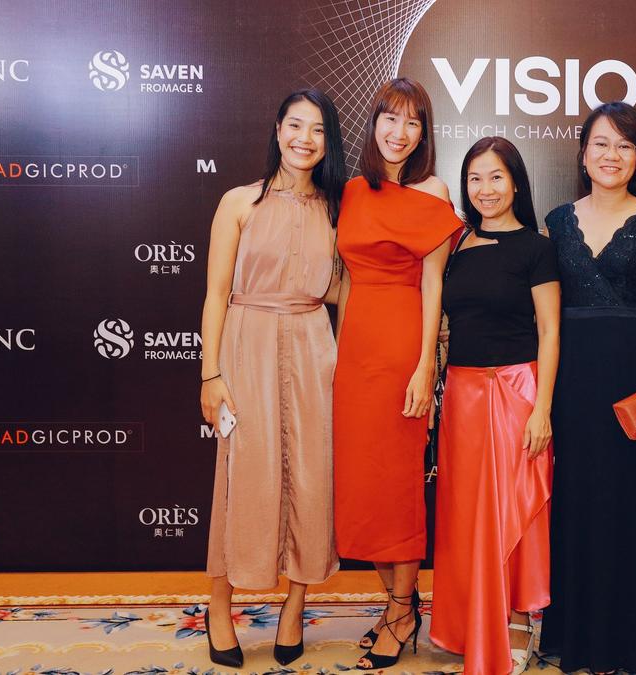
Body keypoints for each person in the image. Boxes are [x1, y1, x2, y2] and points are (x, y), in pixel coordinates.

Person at [198, 88, 347, 669]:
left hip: (313, 348)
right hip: (246, 346)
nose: (304, 139)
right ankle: (219, 607)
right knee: (240, 478)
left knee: (312, 478)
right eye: (295, 125)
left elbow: (341, 290)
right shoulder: (238, 202)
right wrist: (210, 374)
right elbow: (215, 293)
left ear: (328, 142)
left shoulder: (336, 210)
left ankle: (295, 607)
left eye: (318, 130)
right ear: (278, 130)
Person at [540, 101, 636, 674]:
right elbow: (545, 318)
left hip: (635, 384)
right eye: (601, 143)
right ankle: (575, 633)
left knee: (632, 505)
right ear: (582, 154)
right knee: (577, 504)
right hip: (572, 384)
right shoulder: (555, 222)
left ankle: (634, 637)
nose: (611, 155)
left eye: (625, 146)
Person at [331, 77, 463, 670]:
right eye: (391, 118)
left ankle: (403, 610)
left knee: (398, 485)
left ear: (424, 133)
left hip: (404, 346)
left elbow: (434, 285)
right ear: (374, 123)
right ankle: (396, 604)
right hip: (356, 351)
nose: (400, 132)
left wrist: (423, 366)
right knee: (363, 485)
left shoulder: (434, 191)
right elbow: (345, 279)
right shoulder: (352, 190)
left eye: (413, 122)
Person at [430, 137, 560, 675]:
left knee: (513, 509)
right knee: (466, 517)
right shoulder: (455, 243)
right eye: (475, 178)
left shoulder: (537, 247)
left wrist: (542, 408)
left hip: (516, 391)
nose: (485, 189)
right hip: (462, 395)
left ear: (516, 183)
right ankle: (471, 622)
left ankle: (520, 619)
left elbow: (550, 331)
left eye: (496, 177)